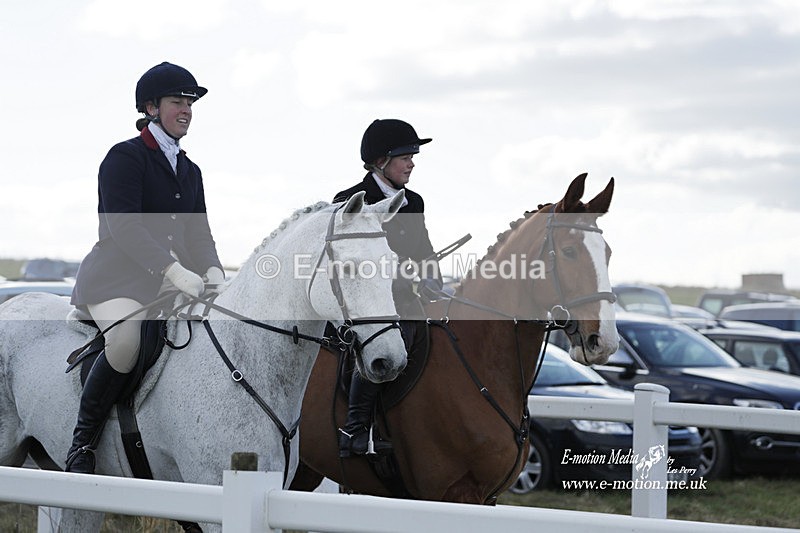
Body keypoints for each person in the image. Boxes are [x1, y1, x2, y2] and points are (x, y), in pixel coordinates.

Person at [66, 62, 225, 474]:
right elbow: (125, 226)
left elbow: (199, 232)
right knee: (125, 343)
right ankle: (82, 444)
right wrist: (172, 270)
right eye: (178, 102)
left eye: (190, 103)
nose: (186, 110)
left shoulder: (190, 170)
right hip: (117, 281)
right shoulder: (124, 157)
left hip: (170, 286)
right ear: (152, 108)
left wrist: (213, 270)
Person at [333, 118, 443, 458]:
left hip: (409, 300)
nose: (411, 164)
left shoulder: (415, 201)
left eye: (412, 157)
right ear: (381, 161)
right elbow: (350, 263)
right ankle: (355, 428)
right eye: (405, 157)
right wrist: (400, 272)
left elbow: (425, 251)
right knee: (386, 341)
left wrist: (431, 277)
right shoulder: (350, 200)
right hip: (369, 306)